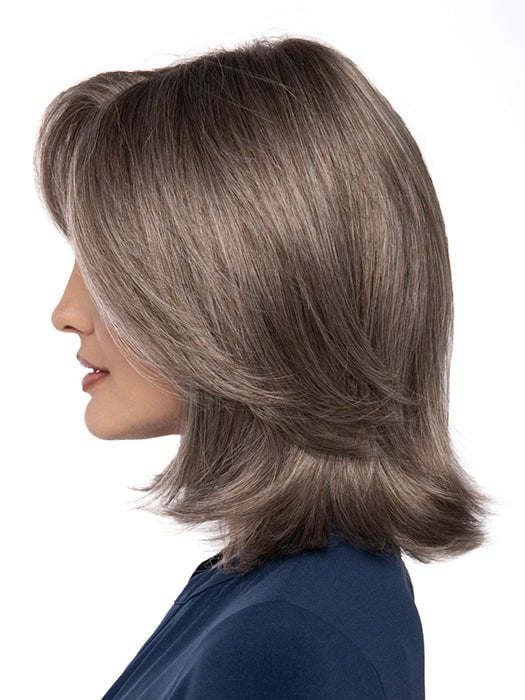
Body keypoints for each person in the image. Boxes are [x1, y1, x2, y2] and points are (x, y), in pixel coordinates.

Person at [35, 34, 495, 699]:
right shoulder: (282, 593)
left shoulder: (281, 642)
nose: (66, 312)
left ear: (244, 290)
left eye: (107, 266)